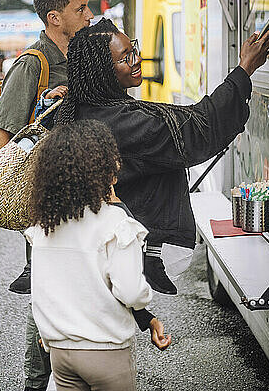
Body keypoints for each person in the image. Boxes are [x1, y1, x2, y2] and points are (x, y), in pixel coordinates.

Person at [0, 0, 168, 391]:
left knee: (81, 279)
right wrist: (31, 204)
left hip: (84, 195)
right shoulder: (35, 62)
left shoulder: (80, 54)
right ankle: (38, 382)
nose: (89, 15)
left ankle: (73, 367)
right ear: (55, 17)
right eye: (80, 9)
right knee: (49, 290)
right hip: (49, 201)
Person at [56, 17, 269, 294]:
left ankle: (150, 252)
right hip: (107, 252)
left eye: (133, 49)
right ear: (101, 71)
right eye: (125, 58)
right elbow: (198, 127)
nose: (136, 60)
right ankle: (149, 251)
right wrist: (245, 69)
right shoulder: (118, 123)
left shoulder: (80, 106)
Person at [26, 119, 169, 391]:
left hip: (60, 351)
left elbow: (40, 290)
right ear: (100, 171)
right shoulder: (114, 223)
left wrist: (47, 332)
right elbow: (131, 292)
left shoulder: (44, 226)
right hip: (107, 352)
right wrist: (145, 301)